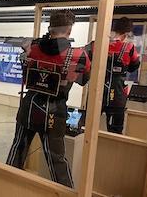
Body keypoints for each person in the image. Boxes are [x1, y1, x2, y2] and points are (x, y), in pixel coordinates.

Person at [6, 10, 91, 188]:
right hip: (55, 111)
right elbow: (84, 80)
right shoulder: (78, 54)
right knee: (57, 162)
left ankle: (6, 188)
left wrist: (27, 52)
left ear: (50, 28)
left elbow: (25, 78)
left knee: (17, 152)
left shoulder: (32, 49)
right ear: (69, 30)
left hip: (29, 108)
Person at [86, 17, 140, 134]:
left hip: (96, 93)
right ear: (126, 33)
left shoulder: (96, 45)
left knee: (87, 129)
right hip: (117, 96)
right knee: (115, 133)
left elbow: (84, 64)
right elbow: (134, 67)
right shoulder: (130, 48)